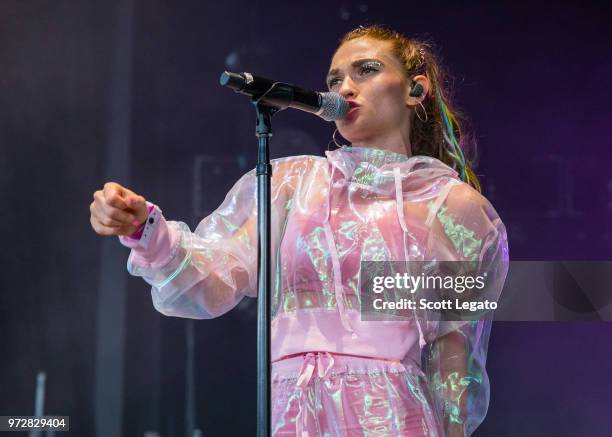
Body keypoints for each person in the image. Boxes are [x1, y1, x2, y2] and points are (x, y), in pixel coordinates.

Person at [90, 25, 509, 437]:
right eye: (334, 79)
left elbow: (453, 354)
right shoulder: (291, 186)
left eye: (365, 70)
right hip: (292, 410)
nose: (344, 87)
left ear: (415, 91)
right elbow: (214, 281)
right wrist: (147, 229)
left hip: (393, 415)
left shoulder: (454, 208)